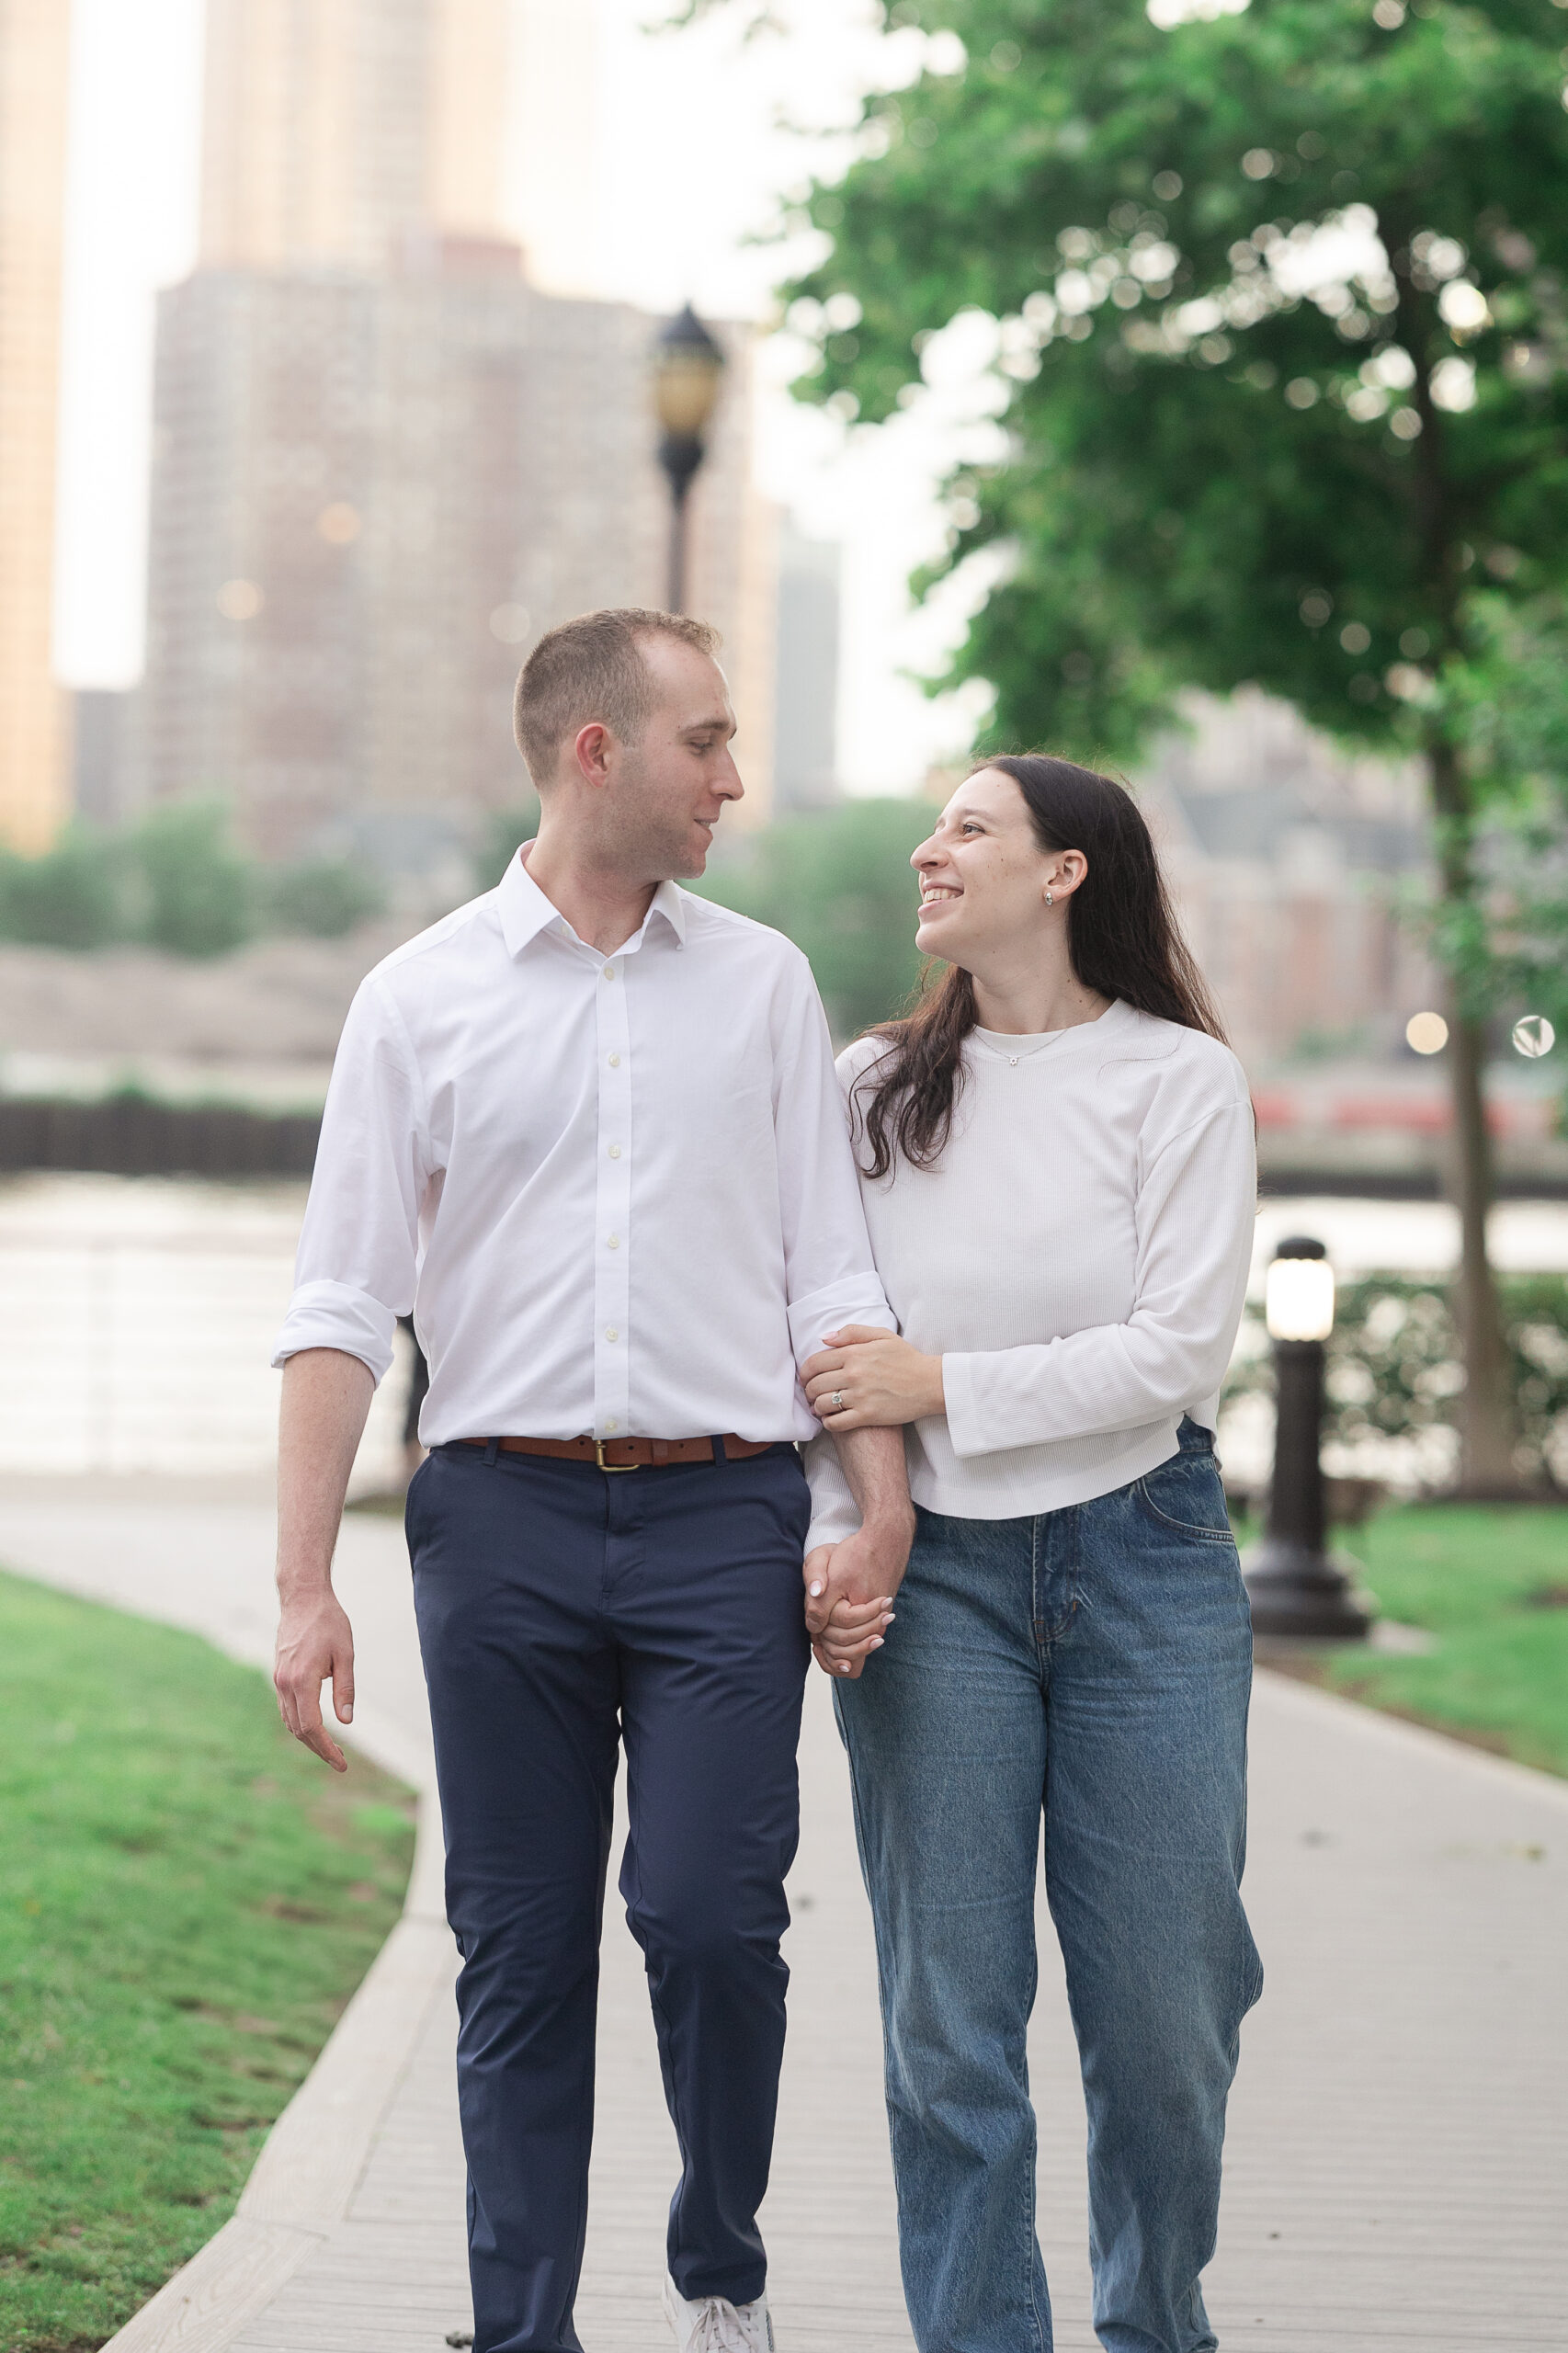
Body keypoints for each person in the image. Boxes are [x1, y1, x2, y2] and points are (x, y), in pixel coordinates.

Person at [268, 608, 913, 2353]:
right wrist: (304, 1586)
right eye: (705, 741)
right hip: (500, 1521)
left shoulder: (763, 985)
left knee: (711, 1922)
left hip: (723, 1521)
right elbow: (339, 1304)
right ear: (596, 751)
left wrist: (878, 1505)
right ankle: (522, 2329)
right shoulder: (416, 1000)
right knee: (519, 1946)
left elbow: (830, 1281)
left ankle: (722, 2270)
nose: (733, 778)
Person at [799, 756, 1261, 2353]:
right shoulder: (868, 1085)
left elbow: (1174, 1352)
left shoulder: (1177, 1081)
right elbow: (824, 1348)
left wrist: (942, 1386)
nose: (927, 851)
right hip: (932, 1587)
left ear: (1064, 873)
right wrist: (841, 1534)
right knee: (949, 2029)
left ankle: (1154, 2327)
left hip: (1146, 1560)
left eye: (968, 828)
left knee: (1167, 2018)